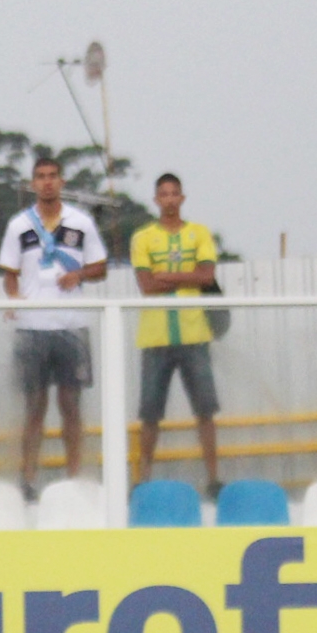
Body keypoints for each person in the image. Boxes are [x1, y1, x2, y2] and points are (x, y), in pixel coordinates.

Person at [0, 157, 109, 499]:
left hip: (71, 323)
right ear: (33, 183)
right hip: (33, 325)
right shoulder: (19, 224)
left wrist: (79, 274)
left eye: (52, 176)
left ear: (62, 182)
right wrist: (14, 300)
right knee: (34, 406)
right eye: (41, 177)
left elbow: (100, 267)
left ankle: (74, 474)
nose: (47, 182)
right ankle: (28, 476)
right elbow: (9, 273)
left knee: (71, 404)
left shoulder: (81, 221)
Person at [128, 172, 222, 492]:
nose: (169, 199)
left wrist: (167, 275)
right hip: (155, 336)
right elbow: (147, 286)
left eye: (174, 194)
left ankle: (212, 478)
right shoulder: (142, 237)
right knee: (150, 414)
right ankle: (143, 479)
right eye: (163, 194)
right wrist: (187, 276)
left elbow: (207, 276)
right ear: (156, 200)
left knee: (205, 411)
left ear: (182, 198)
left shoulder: (199, 233)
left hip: (194, 333)